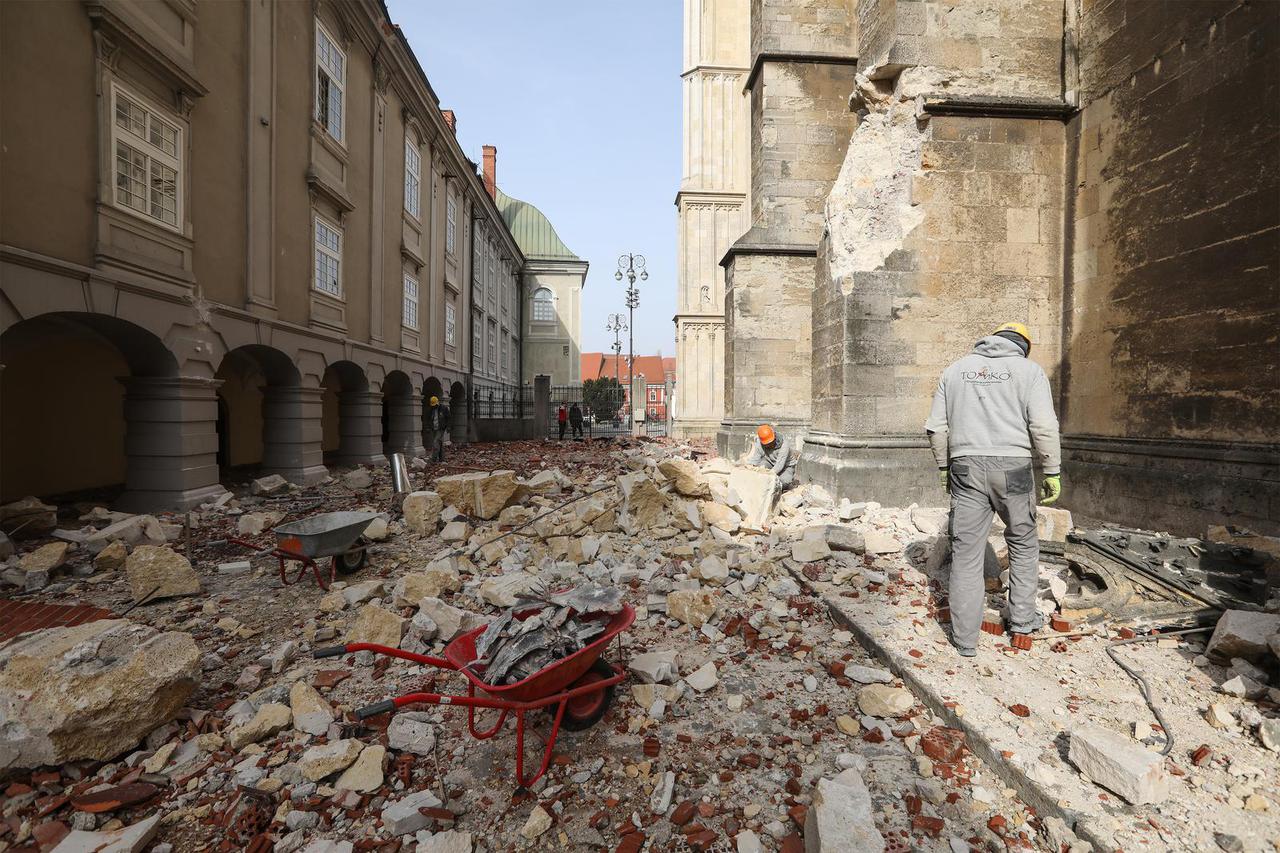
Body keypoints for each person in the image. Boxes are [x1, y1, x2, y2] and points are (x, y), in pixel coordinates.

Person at [924, 322, 1061, 658]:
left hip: (966, 467)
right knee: (1023, 544)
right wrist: (1052, 469)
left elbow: (936, 428)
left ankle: (966, 643)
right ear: (1023, 346)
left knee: (967, 555)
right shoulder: (1029, 371)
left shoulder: (955, 371)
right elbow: (1043, 425)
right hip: (1013, 468)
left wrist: (944, 467)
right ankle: (1022, 624)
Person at [426, 395, 450, 462]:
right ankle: (442, 459)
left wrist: (448, 426)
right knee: (440, 443)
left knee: (435, 442)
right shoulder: (431, 409)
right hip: (434, 428)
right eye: (433, 405)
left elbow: (448, 418)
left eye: (435, 405)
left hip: (441, 428)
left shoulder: (444, 408)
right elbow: (428, 419)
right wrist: (428, 427)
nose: (434, 406)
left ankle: (433, 459)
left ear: (438, 403)